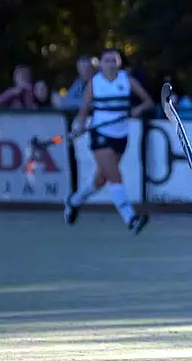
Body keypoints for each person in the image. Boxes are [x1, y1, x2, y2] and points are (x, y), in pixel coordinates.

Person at [64, 48, 153, 234]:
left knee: (101, 179)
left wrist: (137, 110)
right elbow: (84, 111)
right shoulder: (94, 83)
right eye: (107, 60)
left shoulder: (127, 80)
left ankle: (74, 201)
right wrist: (78, 127)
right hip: (100, 134)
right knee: (115, 175)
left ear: (119, 63)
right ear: (101, 64)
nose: (111, 64)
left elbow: (148, 102)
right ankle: (130, 218)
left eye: (114, 60)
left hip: (121, 136)